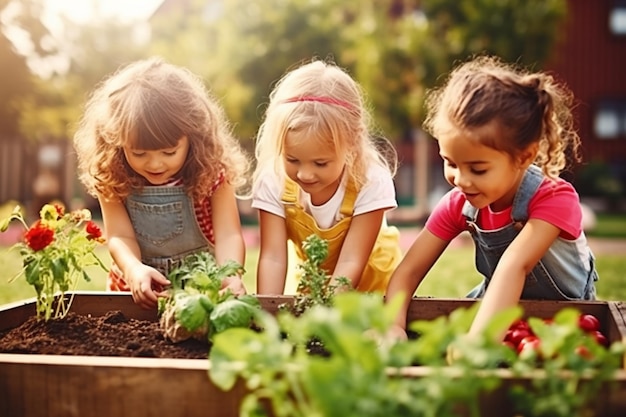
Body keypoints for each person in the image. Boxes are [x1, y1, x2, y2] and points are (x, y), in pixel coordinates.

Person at [385, 55, 598, 341]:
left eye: (478, 168)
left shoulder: (553, 198)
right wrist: (393, 326)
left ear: (524, 156)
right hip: (493, 312)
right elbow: (408, 272)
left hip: (562, 322)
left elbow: (515, 264)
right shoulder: (458, 205)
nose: (461, 179)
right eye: (450, 162)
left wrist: (477, 345)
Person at [73, 57, 251, 309]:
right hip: (136, 295)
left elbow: (228, 234)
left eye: (169, 152)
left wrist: (230, 275)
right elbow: (119, 236)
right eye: (139, 153)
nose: (155, 165)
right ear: (117, 141)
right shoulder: (113, 174)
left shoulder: (212, 172)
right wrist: (134, 270)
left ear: (193, 135)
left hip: (199, 296)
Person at [251, 59, 402, 295]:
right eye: (292, 160)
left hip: (373, 285)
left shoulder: (370, 180)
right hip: (313, 282)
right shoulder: (274, 179)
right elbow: (273, 258)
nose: (304, 173)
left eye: (320, 163)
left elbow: (351, 261)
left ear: (351, 143)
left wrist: (324, 314)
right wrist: (267, 315)